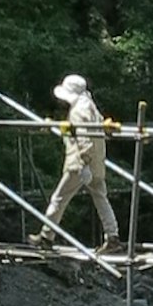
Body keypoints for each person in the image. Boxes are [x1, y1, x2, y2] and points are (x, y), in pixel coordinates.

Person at [40, 68, 114, 249]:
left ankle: (46, 236)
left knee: (59, 198)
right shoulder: (91, 106)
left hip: (80, 163)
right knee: (101, 198)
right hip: (97, 162)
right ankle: (113, 237)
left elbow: (83, 137)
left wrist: (85, 161)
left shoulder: (78, 110)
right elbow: (86, 131)